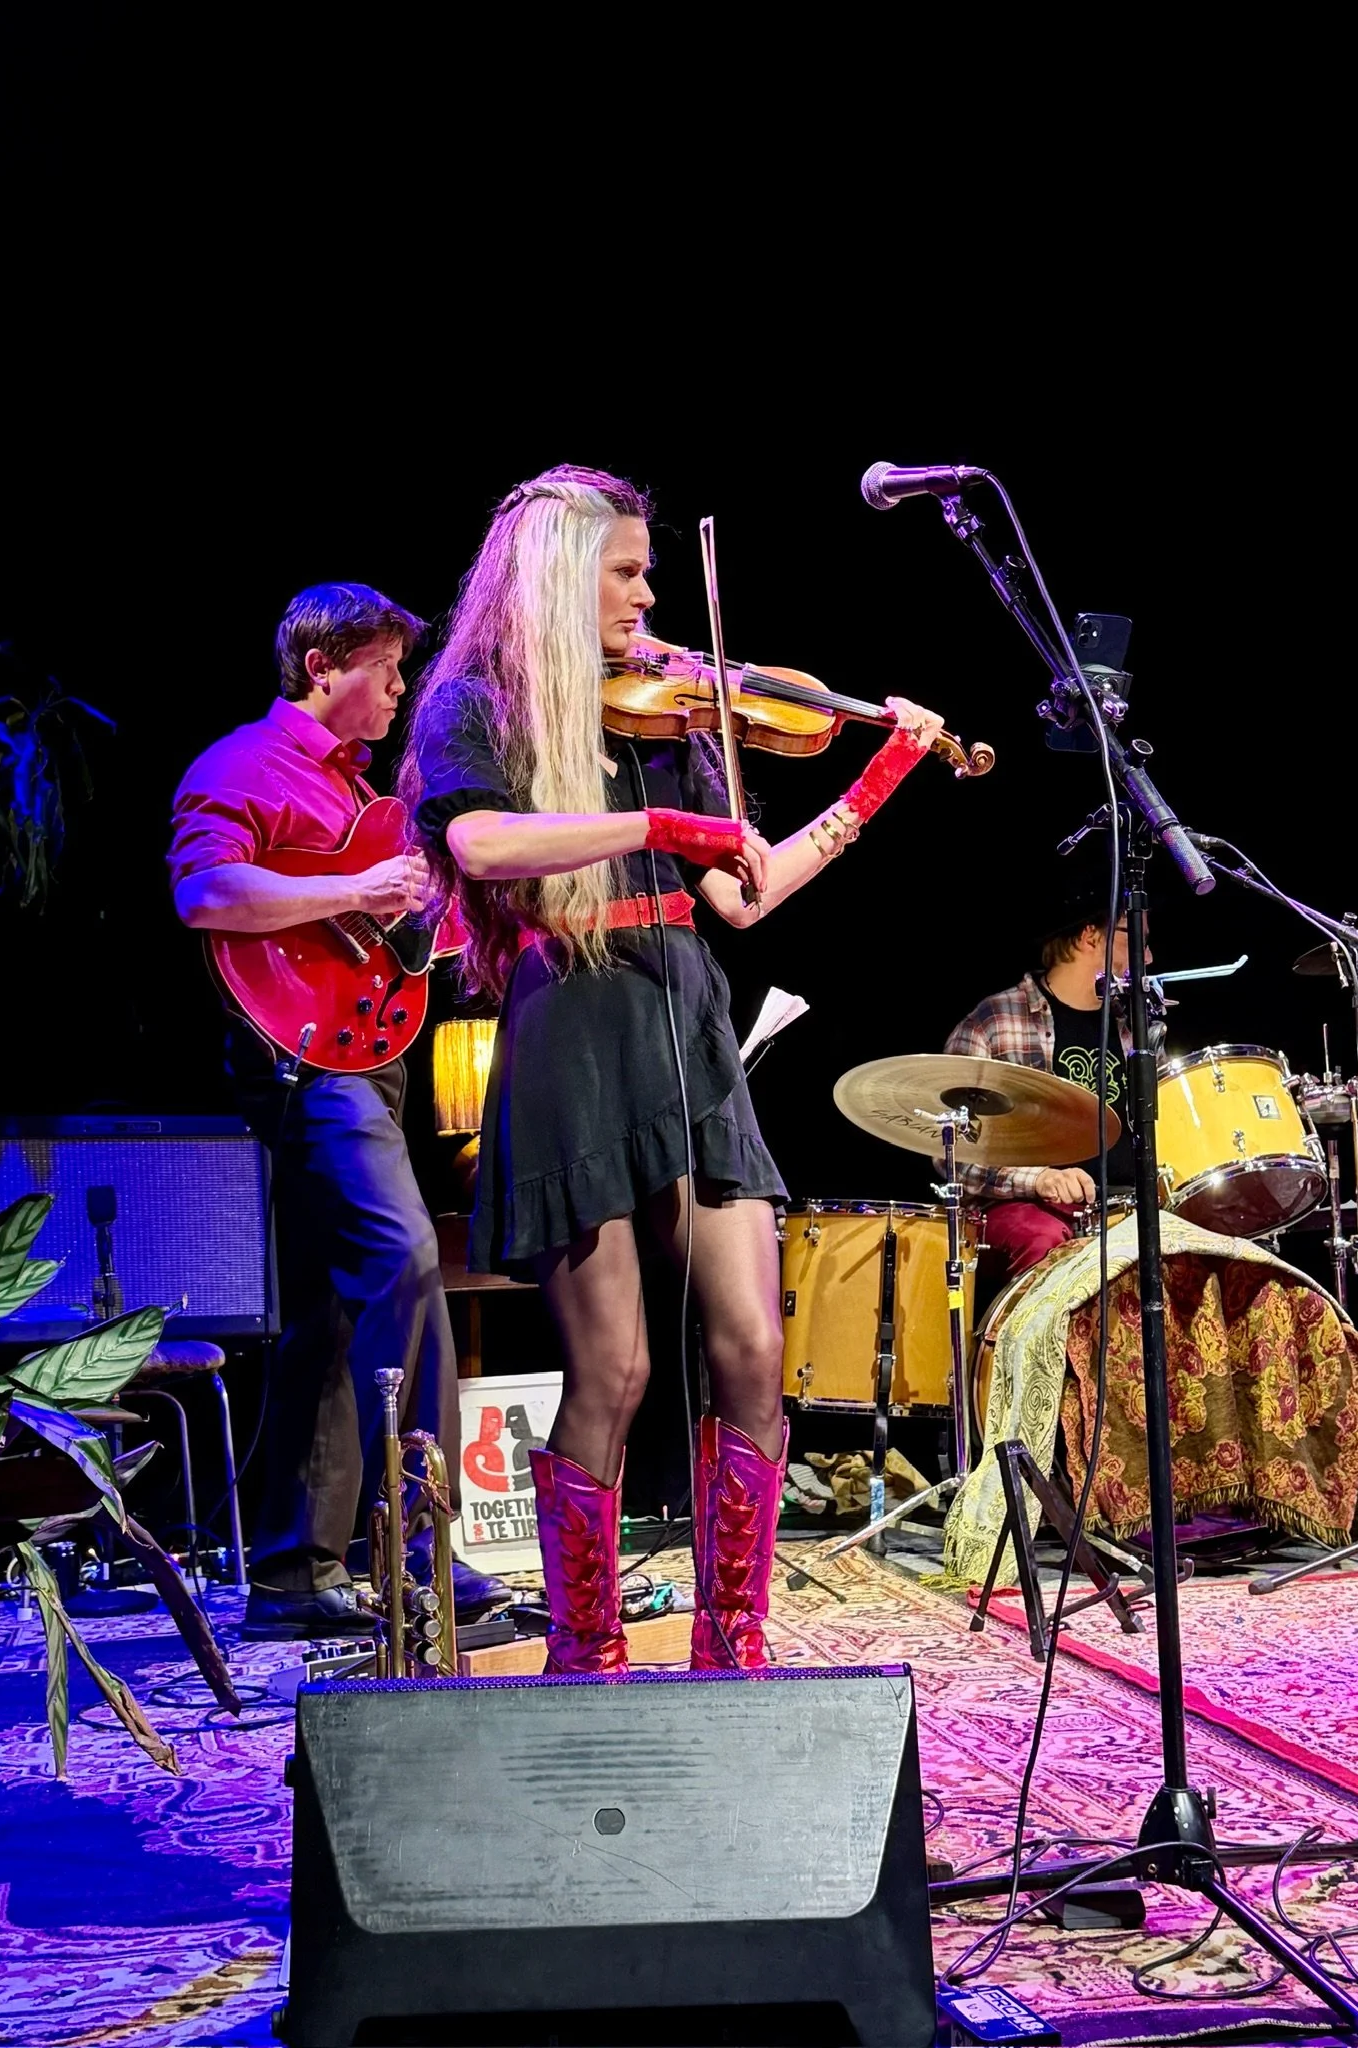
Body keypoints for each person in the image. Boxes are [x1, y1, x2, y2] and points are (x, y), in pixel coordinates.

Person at [399, 464, 943, 1673]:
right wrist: (652, 826)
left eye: (650, 569)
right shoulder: (477, 707)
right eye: (627, 572)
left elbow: (746, 895)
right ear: (556, 576)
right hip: (576, 1023)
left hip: (684, 1011)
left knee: (753, 1346)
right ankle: (586, 1650)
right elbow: (482, 841)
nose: (650, 597)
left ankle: (731, 1641)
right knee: (620, 1366)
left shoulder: (664, 712)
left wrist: (876, 779)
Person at [169, 581, 506, 1639]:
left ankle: (290, 1576)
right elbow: (207, 895)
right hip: (304, 1068)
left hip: (370, 1057)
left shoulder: (375, 792)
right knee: (405, 1261)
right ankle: (423, 1553)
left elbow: (401, 938)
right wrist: (355, 891)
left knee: (330, 1305)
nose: (403, 689)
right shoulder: (240, 765)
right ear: (324, 668)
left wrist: (445, 927)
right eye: (387, 669)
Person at [944, 876, 1152, 1295]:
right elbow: (953, 1153)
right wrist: (1037, 1178)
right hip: (1025, 1205)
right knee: (1042, 1241)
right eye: (1136, 938)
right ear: (1090, 936)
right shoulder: (996, 1020)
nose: (1148, 955)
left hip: (1123, 1204)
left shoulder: (1138, 1032)